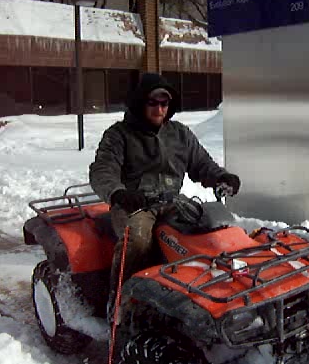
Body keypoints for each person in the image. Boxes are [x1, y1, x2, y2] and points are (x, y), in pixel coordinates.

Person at [89, 72, 240, 321]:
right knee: (137, 239)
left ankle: (215, 292)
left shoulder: (179, 134)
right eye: (153, 102)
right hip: (134, 204)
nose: (159, 109)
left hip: (172, 201)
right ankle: (121, 303)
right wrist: (118, 192)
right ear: (140, 103)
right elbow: (103, 169)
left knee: (210, 229)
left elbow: (202, 164)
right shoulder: (119, 135)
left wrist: (221, 177)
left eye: (164, 103)